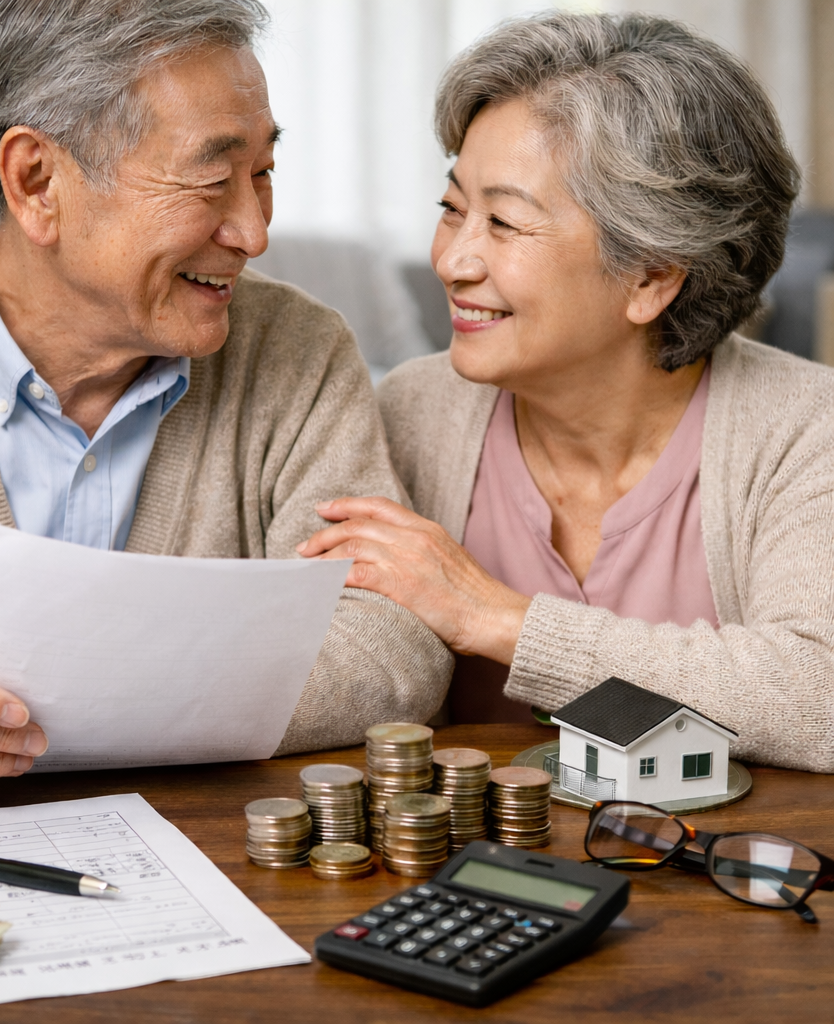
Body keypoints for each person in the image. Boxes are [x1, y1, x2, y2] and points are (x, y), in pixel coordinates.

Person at [0, 0, 452, 808]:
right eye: (214, 180)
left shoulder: (299, 347)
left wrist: (63, 708)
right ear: (36, 181)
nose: (253, 233)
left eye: (264, 174)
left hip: (221, 869)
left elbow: (392, 648)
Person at [300, 12, 834, 774]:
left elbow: (819, 695)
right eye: (452, 209)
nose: (453, 260)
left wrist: (497, 618)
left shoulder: (807, 429)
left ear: (651, 276)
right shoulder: (414, 412)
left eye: (505, 223)